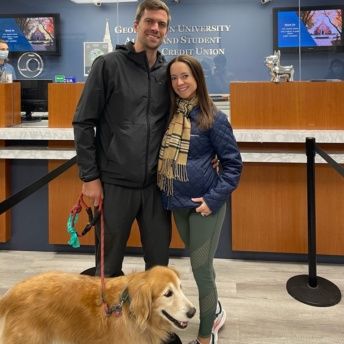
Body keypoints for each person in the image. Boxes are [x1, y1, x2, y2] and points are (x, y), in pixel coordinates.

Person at [73, 2, 182, 343]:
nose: (156, 28)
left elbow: (187, 119)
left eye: (162, 24)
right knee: (108, 268)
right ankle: (102, 331)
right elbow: (83, 122)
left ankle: (152, 332)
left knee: (159, 269)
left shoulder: (169, 73)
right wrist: (89, 178)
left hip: (155, 188)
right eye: (150, 21)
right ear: (136, 24)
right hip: (114, 185)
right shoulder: (108, 66)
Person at [157, 55, 242, 344]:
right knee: (201, 266)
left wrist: (213, 199)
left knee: (200, 269)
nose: (180, 83)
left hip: (205, 205)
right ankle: (214, 310)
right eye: (174, 78)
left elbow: (233, 165)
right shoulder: (168, 116)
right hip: (177, 203)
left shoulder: (214, 118)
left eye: (185, 77)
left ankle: (207, 334)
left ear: (197, 79)